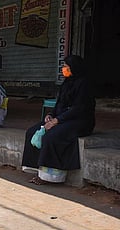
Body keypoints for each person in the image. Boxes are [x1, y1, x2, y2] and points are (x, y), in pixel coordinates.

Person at [22, 55, 96, 185]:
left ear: (74, 68)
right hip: (62, 118)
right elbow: (60, 104)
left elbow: (78, 109)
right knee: (32, 131)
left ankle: (48, 177)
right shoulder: (66, 83)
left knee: (51, 136)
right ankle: (35, 168)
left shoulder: (84, 84)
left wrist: (57, 121)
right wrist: (50, 115)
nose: (64, 69)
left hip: (79, 121)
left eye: (66, 66)